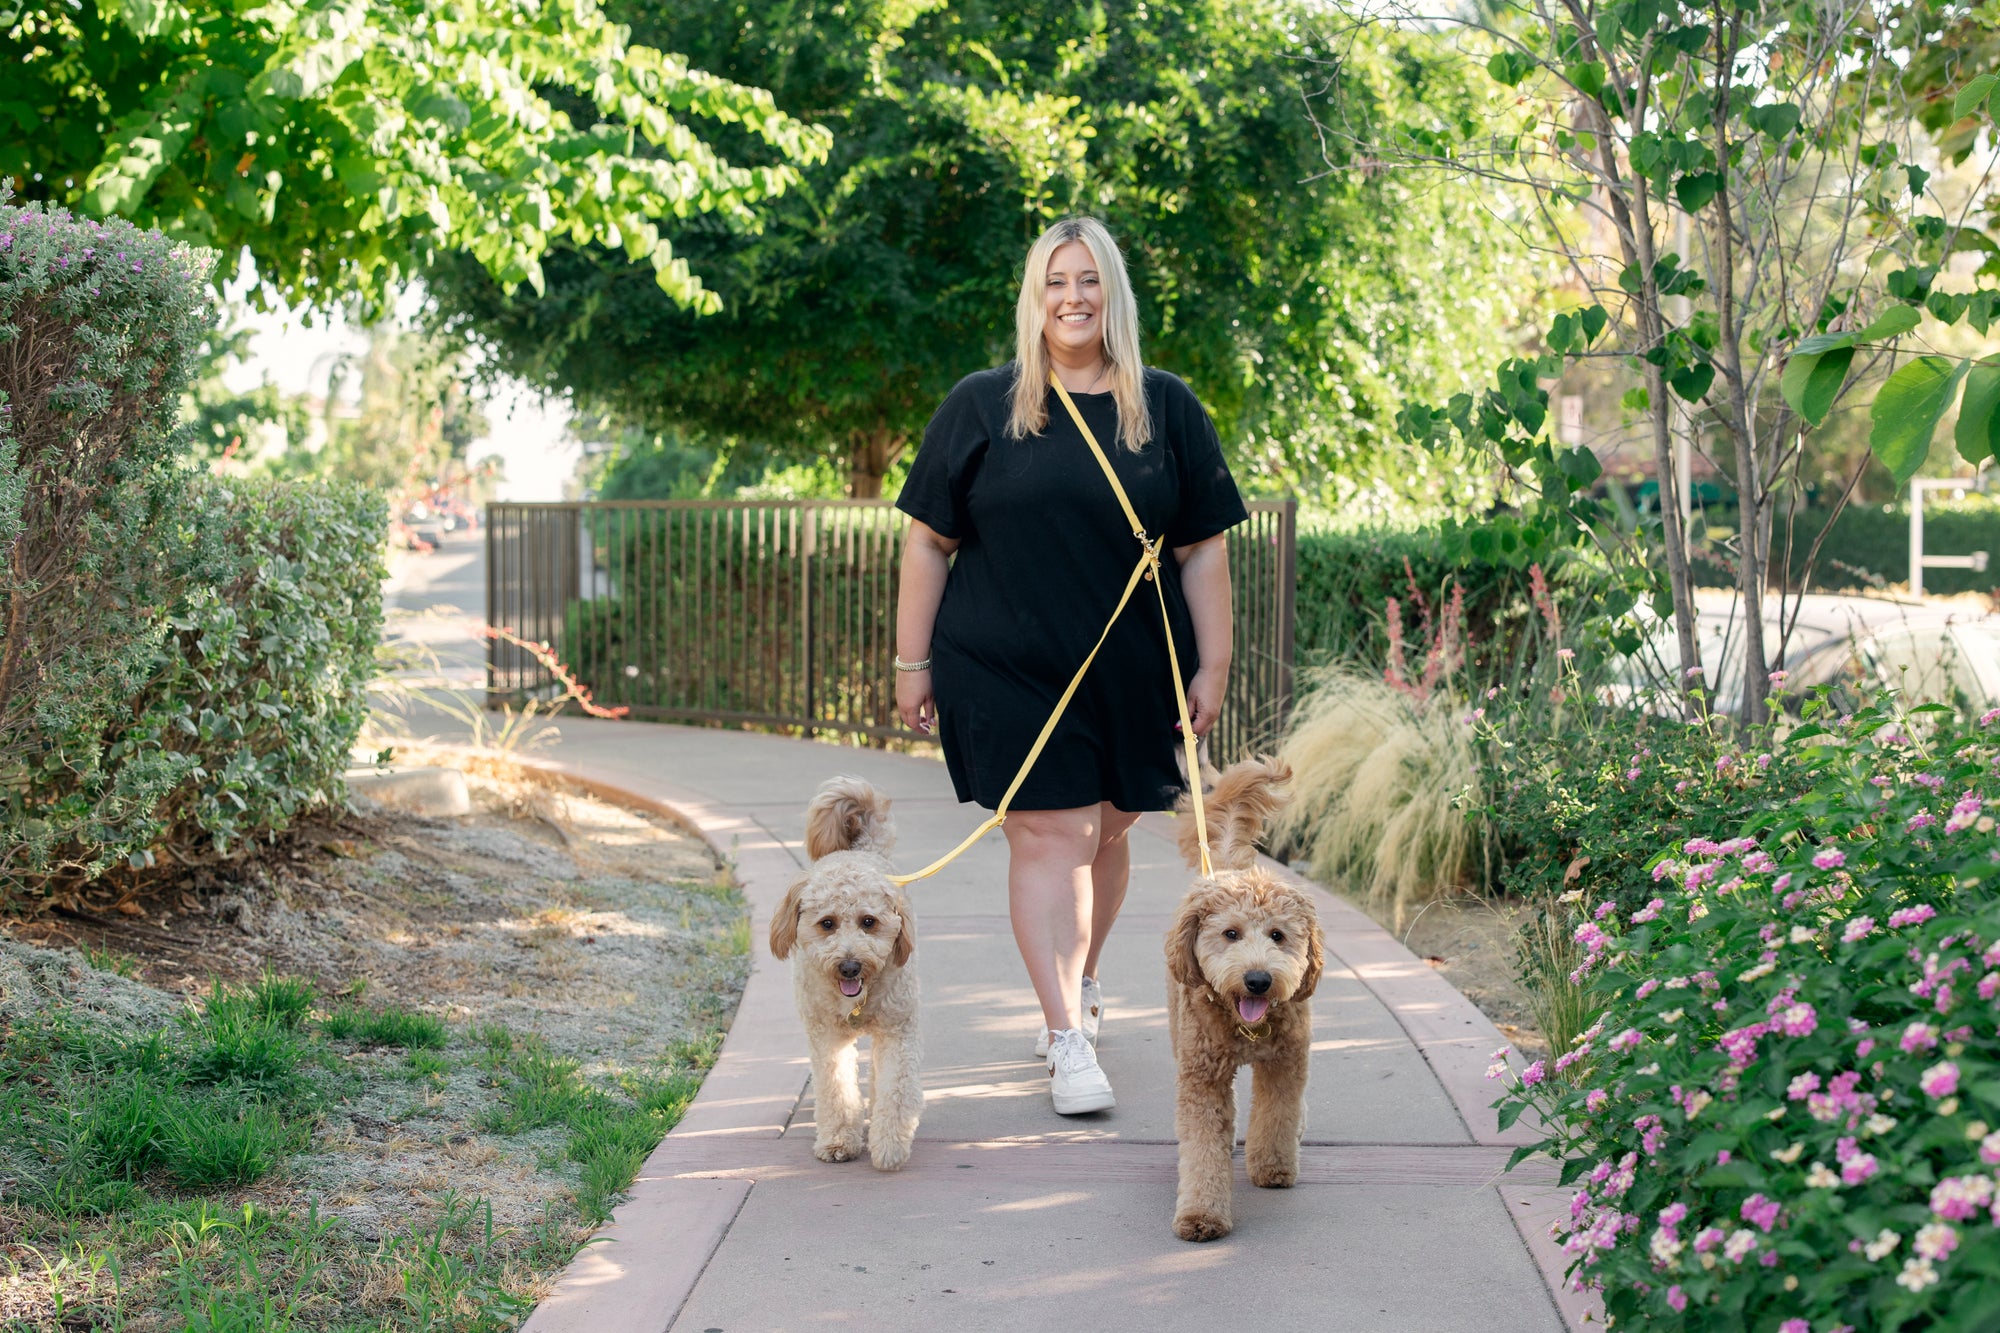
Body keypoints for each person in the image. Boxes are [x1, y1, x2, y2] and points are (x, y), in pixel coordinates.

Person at [892, 216, 1247, 1115]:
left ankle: (1082, 979)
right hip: (1005, 664)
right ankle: (1064, 1035)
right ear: (1034, 297)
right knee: (1054, 836)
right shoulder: (984, 404)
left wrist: (1215, 660)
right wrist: (911, 659)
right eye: (1056, 281)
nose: (1073, 297)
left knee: (1110, 830)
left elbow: (1201, 546)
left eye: (1089, 280)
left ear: (1113, 294)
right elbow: (928, 540)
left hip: (1132, 664)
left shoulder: (1165, 406)